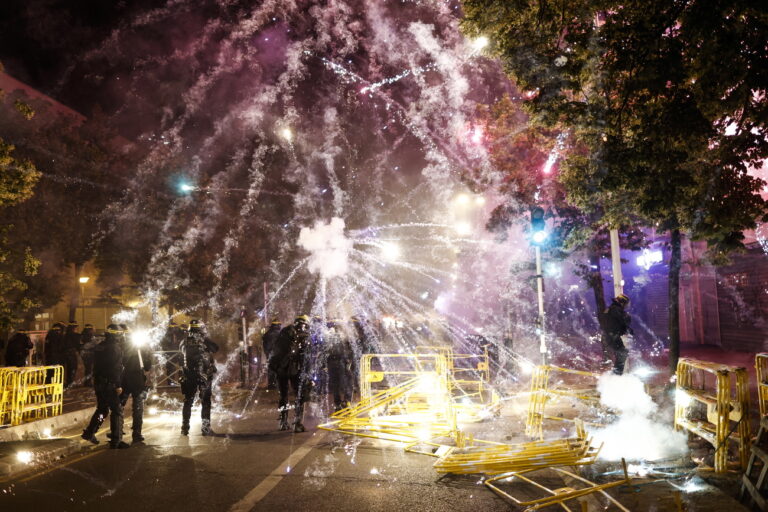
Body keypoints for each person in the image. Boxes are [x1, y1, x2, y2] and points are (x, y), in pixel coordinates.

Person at [81, 324, 128, 449]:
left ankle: (90, 432)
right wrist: (118, 385)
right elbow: (115, 368)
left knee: (102, 409)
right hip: (110, 384)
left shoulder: (100, 346)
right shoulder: (115, 348)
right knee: (117, 410)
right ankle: (116, 440)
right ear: (117, 335)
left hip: (99, 382)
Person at [269, 315, 312, 432]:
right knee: (299, 395)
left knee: (283, 395)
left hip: (280, 368)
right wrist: (308, 374)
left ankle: (283, 422)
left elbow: (274, 349)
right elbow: (306, 357)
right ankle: (297, 423)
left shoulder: (284, 331)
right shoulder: (304, 335)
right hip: (295, 369)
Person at [180, 320, 219, 436]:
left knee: (188, 401)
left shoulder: (184, 342)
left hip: (189, 375)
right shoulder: (205, 341)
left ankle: (185, 427)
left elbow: (181, 354)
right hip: (204, 375)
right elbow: (216, 348)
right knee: (205, 401)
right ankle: (205, 428)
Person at [120, 330, 152, 443]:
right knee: (138, 408)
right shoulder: (140, 347)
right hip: (137, 380)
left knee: (119, 406)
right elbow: (148, 365)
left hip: (123, 380)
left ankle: (117, 432)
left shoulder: (120, 346)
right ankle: (136, 434)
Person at [325, 320, 353, 412]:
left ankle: (338, 404)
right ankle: (346, 402)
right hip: (341, 363)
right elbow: (350, 350)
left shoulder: (329, 337)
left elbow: (325, 352)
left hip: (333, 363)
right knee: (346, 383)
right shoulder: (344, 337)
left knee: (336, 384)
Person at [602, 294, 633, 375]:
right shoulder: (616, 309)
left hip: (609, 336)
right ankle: (616, 376)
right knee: (622, 353)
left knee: (621, 353)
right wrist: (628, 327)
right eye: (626, 304)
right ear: (622, 303)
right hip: (612, 336)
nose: (626, 306)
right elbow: (622, 321)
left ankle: (615, 374)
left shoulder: (611, 308)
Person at [160, 321, 184, 385]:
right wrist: (168, 351)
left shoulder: (180, 334)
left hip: (179, 353)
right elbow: (163, 344)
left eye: (176, 328)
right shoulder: (166, 336)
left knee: (182, 367)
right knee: (171, 368)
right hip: (170, 353)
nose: (174, 330)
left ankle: (181, 381)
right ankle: (171, 382)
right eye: (173, 328)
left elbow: (183, 342)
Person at [261, 319, 281, 390]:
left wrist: (267, 353)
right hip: (278, 355)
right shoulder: (280, 333)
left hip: (269, 355)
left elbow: (264, 345)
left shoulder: (267, 334)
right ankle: (277, 385)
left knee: (271, 369)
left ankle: (271, 385)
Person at [63, 322, 82, 387]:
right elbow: (78, 345)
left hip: (65, 353)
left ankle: (69, 382)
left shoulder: (65, 335)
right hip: (71, 353)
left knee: (69, 368)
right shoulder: (76, 335)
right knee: (73, 367)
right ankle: (70, 382)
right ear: (74, 328)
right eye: (76, 327)